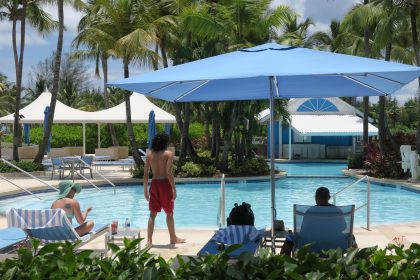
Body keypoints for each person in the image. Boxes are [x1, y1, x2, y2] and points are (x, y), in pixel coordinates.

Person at [280, 187, 356, 255]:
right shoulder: (337, 211)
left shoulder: (310, 211)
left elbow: (304, 230)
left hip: (311, 246)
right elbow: (343, 228)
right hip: (335, 245)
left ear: (316, 197)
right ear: (329, 197)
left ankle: (284, 266)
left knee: (289, 239)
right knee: (351, 237)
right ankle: (356, 265)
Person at [144, 132, 186, 245]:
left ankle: (149, 240)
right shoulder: (168, 154)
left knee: (152, 214)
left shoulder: (149, 155)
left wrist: (145, 190)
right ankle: (173, 238)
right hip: (165, 184)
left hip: (154, 184)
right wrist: (174, 189)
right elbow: (168, 173)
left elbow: (146, 174)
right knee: (169, 213)